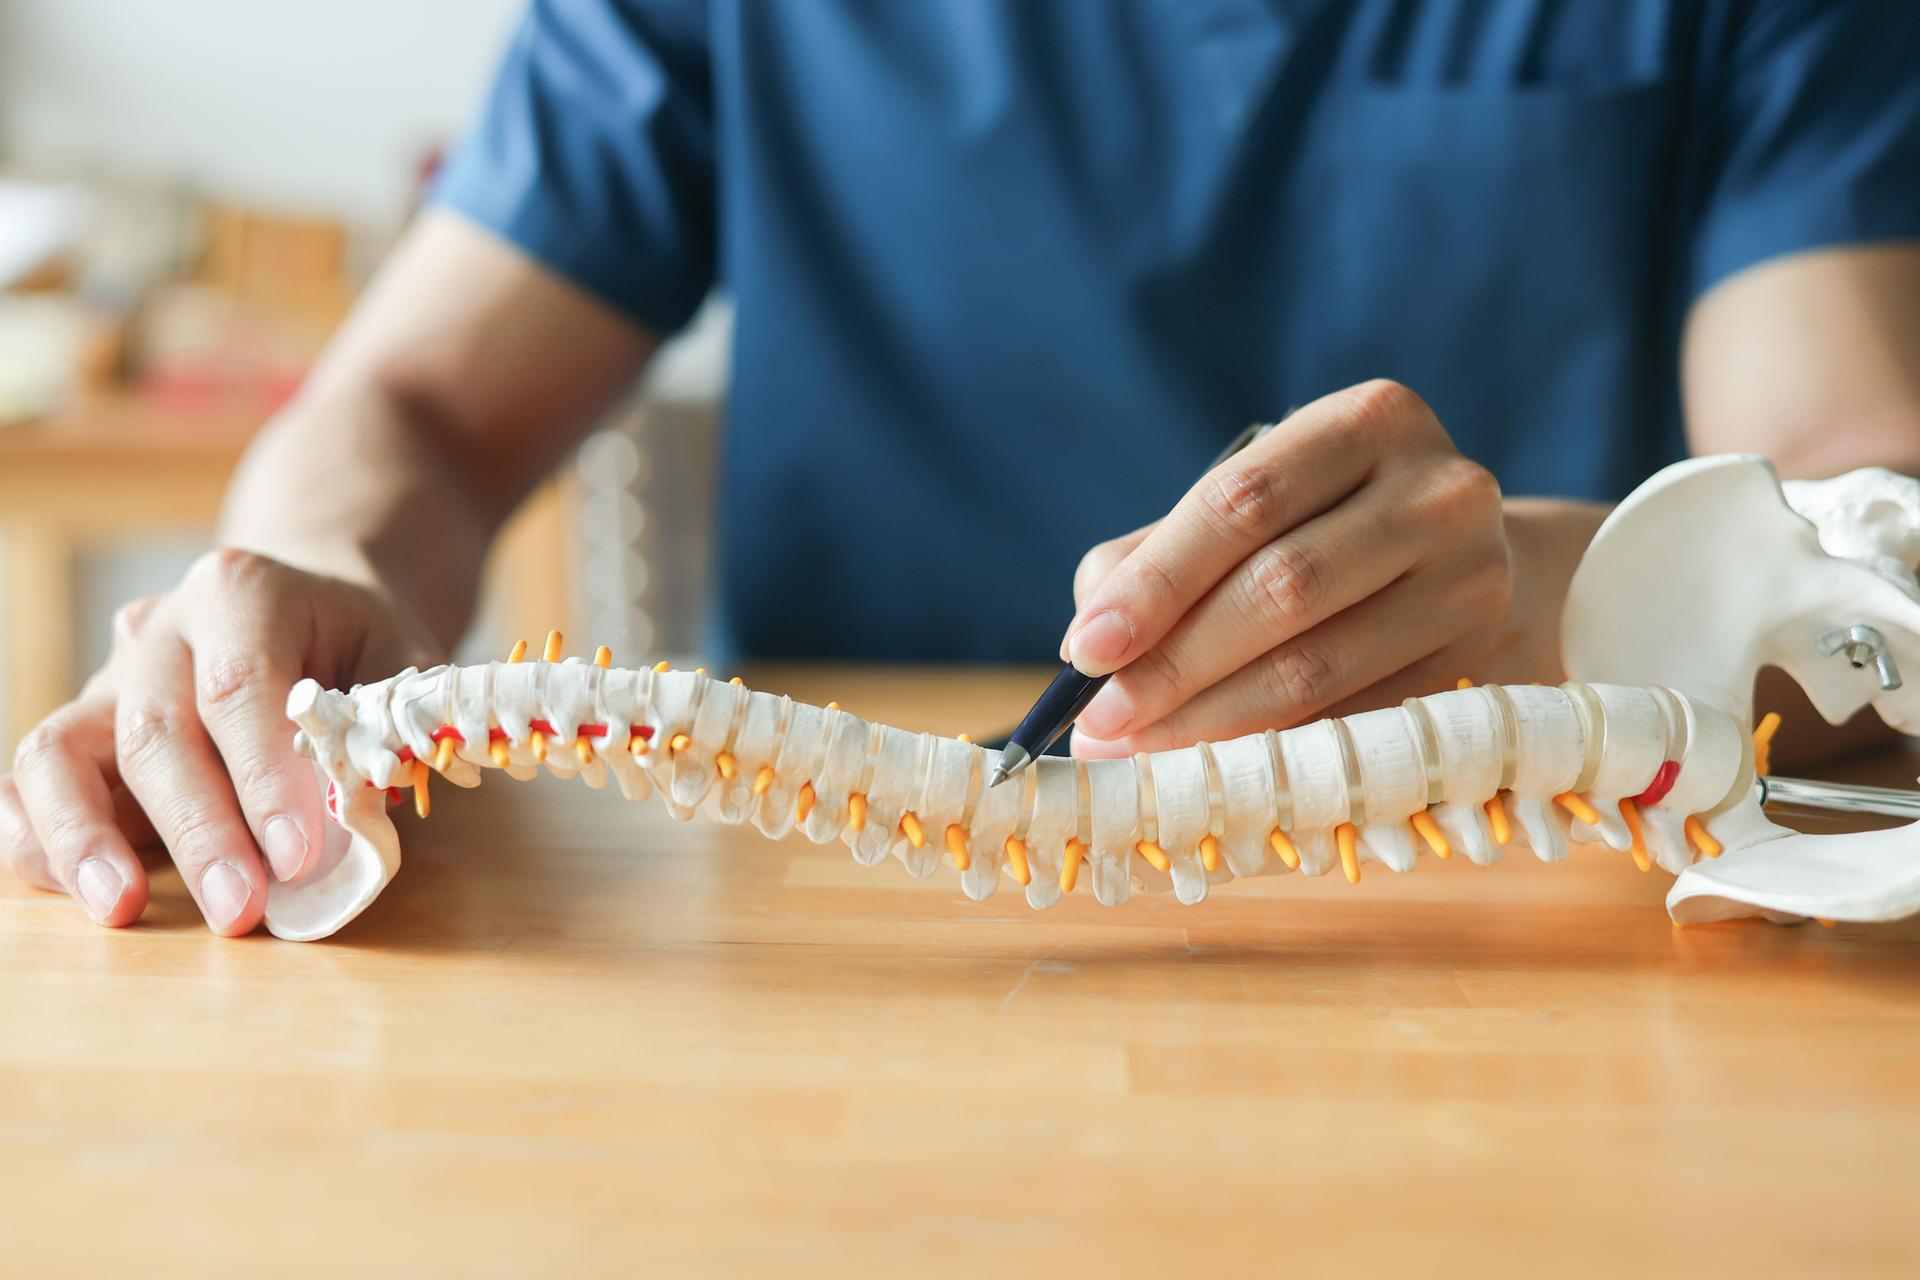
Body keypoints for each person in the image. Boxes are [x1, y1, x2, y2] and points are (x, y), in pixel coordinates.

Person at [4, 0, 1919, 936]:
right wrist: (310, 572)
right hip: (833, 950)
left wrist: (1571, 593)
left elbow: (1872, 531)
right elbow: (412, 405)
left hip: (1516, 935)